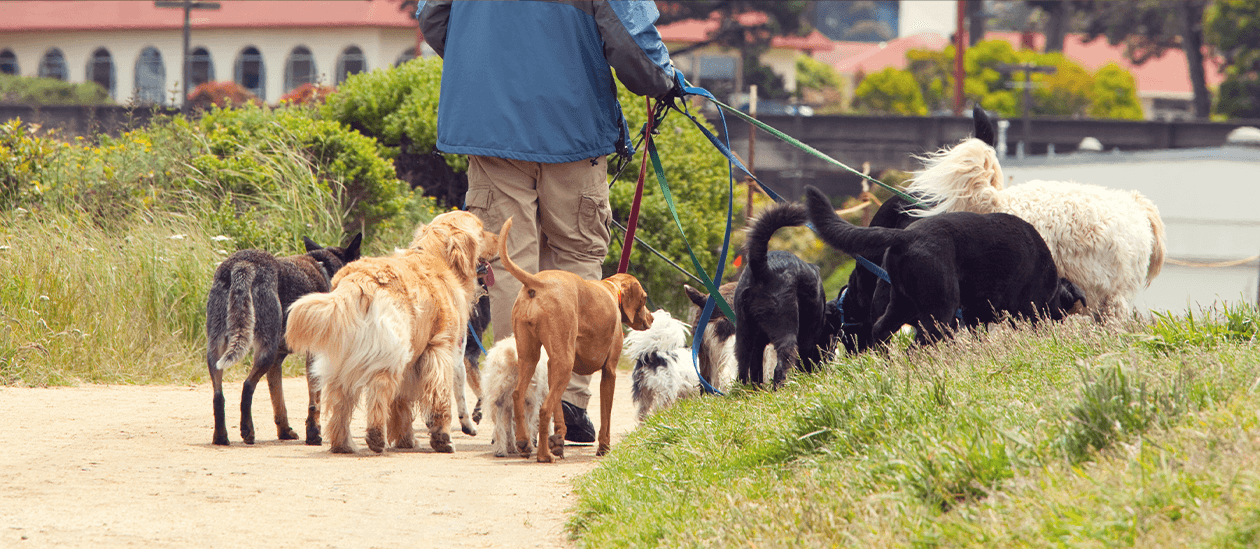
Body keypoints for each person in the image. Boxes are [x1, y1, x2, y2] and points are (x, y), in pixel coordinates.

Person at [417, 1, 682, 443]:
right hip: (575, 125)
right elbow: (632, 39)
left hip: (491, 124)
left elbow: (433, 19)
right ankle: (569, 404)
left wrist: (487, 62)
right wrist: (665, 80)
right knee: (576, 257)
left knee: (507, 261)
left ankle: (515, 394)